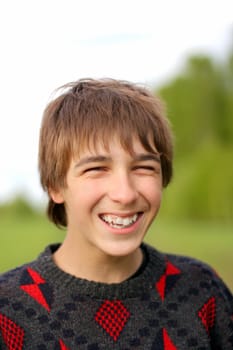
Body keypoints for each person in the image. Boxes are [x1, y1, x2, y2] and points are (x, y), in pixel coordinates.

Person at [0, 79, 232, 350]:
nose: (125, 194)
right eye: (96, 168)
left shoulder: (203, 291)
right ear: (55, 186)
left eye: (143, 168)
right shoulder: (8, 311)